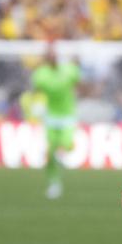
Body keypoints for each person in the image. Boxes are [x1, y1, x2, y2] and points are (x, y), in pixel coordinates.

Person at [30, 41, 80, 200]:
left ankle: (62, 155)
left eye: (54, 53)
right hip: (51, 116)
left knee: (66, 144)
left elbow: (79, 82)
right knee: (50, 152)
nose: (52, 56)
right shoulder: (40, 74)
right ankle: (54, 183)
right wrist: (36, 105)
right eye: (49, 54)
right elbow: (36, 90)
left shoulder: (68, 70)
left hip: (67, 115)